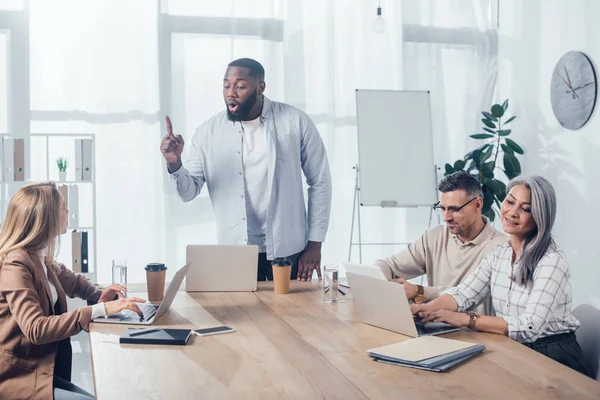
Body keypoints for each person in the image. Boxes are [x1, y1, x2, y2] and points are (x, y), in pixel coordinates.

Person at [161, 58, 332, 282]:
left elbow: (320, 181)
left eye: (240, 86)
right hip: (235, 252)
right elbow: (188, 192)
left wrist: (315, 244)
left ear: (260, 87)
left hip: (290, 251)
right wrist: (175, 163)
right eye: (226, 85)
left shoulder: (295, 121)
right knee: (241, 316)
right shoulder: (208, 132)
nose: (231, 93)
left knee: (292, 315)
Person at [411, 176, 589, 375]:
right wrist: (422, 309)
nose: (513, 212)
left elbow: (529, 327)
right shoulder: (499, 254)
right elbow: (463, 294)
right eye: (511, 202)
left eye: (526, 208)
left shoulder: (552, 261)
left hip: (553, 357)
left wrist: (464, 319)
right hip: (514, 348)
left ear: (541, 215)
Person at [0, 182, 146, 399]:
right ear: (46, 217)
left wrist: (103, 294)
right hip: (20, 377)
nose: (68, 212)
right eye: (63, 207)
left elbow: (76, 283)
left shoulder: (41, 257)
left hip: (43, 372)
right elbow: (35, 328)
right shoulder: (16, 265)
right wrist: (99, 310)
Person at [374, 171, 506, 312]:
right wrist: (376, 279)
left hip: (472, 332)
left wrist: (419, 291)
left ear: (477, 205)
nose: (446, 217)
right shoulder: (434, 236)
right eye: (442, 208)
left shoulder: (501, 248)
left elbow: (467, 294)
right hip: (433, 325)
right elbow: (387, 265)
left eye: (454, 209)